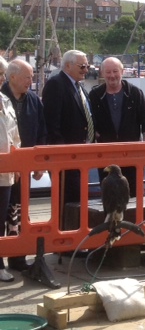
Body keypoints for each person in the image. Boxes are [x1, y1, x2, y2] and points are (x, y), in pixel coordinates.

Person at [1, 59, 47, 272]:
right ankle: (1, 258)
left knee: (19, 212)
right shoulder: (3, 98)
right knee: (2, 213)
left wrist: (40, 164)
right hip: (5, 167)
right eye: (27, 77)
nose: (31, 81)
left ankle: (18, 257)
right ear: (12, 77)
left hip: (25, 166)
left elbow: (41, 132)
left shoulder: (34, 101)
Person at [89, 57, 145, 198]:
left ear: (122, 72)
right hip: (105, 153)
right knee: (109, 194)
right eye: (108, 72)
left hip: (131, 152)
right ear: (102, 74)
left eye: (115, 71)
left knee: (133, 192)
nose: (112, 75)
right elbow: (89, 120)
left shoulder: (135, 93)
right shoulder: (95, 95)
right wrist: (95, 135)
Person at [42, 50, 94, 210]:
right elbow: (52, 123)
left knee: (78, 200)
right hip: (66, 157)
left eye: (87, 66)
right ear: (68, 65)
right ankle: (64, 233)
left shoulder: (79, 87)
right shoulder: (56, 85)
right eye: (82, 66)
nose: (86, 70)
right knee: (67, 200)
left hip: (79, 156)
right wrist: (62, 152)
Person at [0, 58, 21, 282]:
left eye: (2, 74)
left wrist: (17, 163)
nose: (1, 79)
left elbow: (15, 136)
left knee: (0, 220)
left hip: (5, 173)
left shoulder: (5, 101)